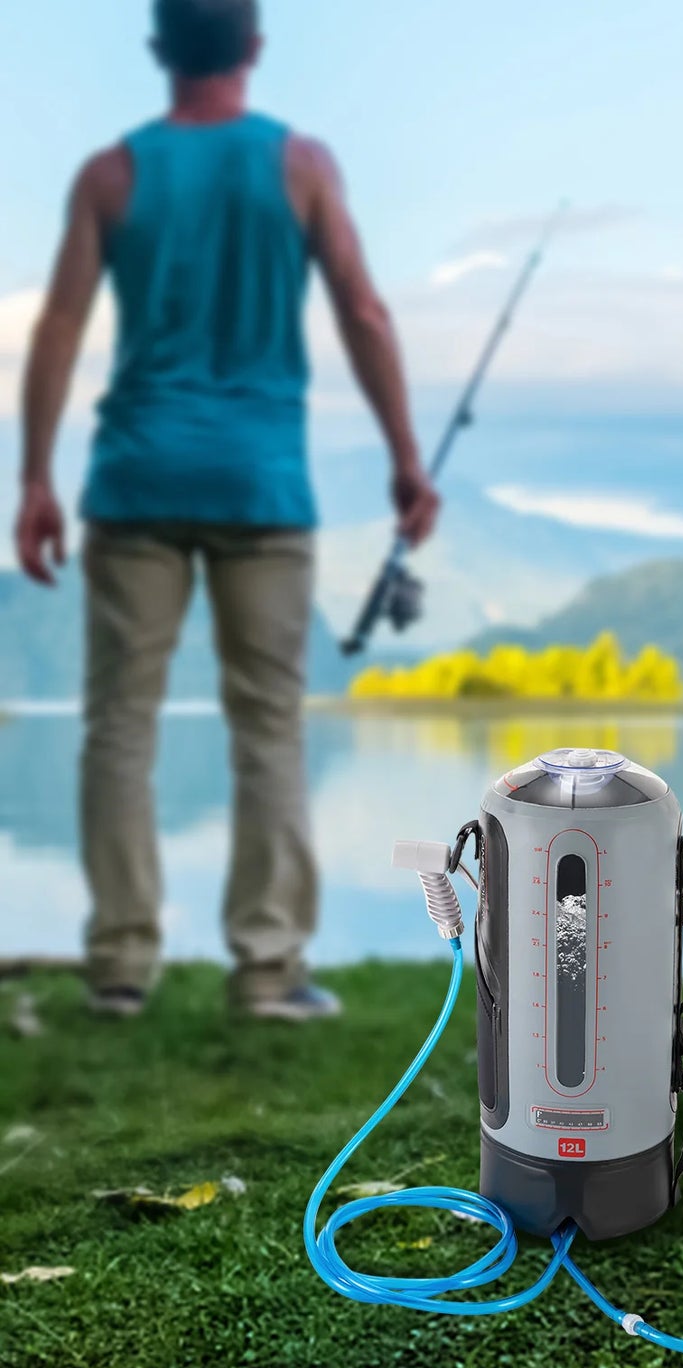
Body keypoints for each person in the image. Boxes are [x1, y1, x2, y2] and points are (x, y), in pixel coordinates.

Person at [12, 0, 440, 1021]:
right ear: (252, 46)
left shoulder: (110, 175)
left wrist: (33, 476)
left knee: (118, 723)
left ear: (159, 51)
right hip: (260, 485)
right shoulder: (301, 165)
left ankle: (119, 965)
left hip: (135, 479)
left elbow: (62, 325)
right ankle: (268, 969)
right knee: (269, 726)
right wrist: (404, 460)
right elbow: (364, 311)